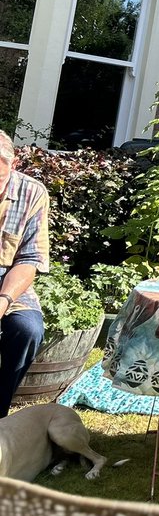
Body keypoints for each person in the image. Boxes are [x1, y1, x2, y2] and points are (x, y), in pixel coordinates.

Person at [0, 131, 50, 418]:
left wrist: (3, 301)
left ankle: (0, 413)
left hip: (10, 280)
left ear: (14, 164)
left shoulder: (32, 193)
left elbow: (30, 260)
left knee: (28, 330)